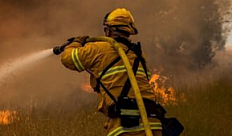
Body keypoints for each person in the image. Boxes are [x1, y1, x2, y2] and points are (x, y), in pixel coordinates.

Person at [59, 8, 164, 136]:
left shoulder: (100, 48)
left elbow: (68, 59)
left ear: (109, 30)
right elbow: (144, 80)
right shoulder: (138, 53)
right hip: (154, 124)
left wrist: (75, 43)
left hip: (126, 126)